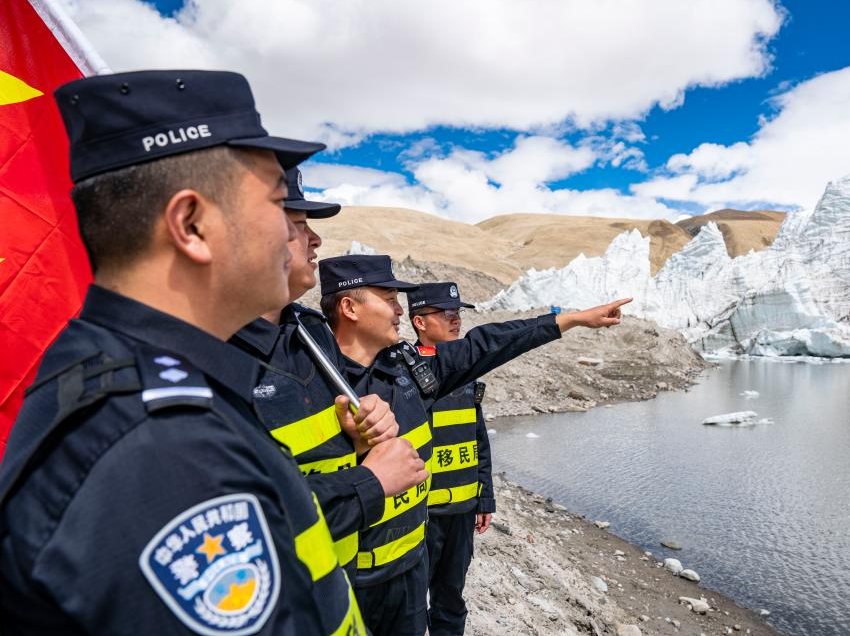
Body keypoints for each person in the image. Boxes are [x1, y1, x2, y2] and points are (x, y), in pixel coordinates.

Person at [0, 70, 366, 635]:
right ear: (191, 225)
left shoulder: (137, 383)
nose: (296, 236)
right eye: (277, 203)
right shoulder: (167, 453)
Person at [317, 253, 631, 636]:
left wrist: (572, 319)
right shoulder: (311, 387)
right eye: (388, 299)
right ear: (349, 308)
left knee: (448, 603)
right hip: (351, 581)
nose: (400, 310)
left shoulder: (408, 372)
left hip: (409, 570)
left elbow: (488, 344)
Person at [230, 166, 429, 586]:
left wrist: (358, 437)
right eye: (298, 224)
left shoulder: (310, 330)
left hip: (339, 583)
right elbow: (235, 527)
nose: (316, 239)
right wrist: (370, 482)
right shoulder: (212, 354)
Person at [405, 282, 493, 636]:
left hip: (462, 512)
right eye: (446, 313)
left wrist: (484, 499)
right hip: (422, 513)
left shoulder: (465, 373)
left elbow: (479, 438)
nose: (456, 320)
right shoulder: (403, 374)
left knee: (451, 598)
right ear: (420, 322)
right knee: (412, 604)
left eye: (458, 313)